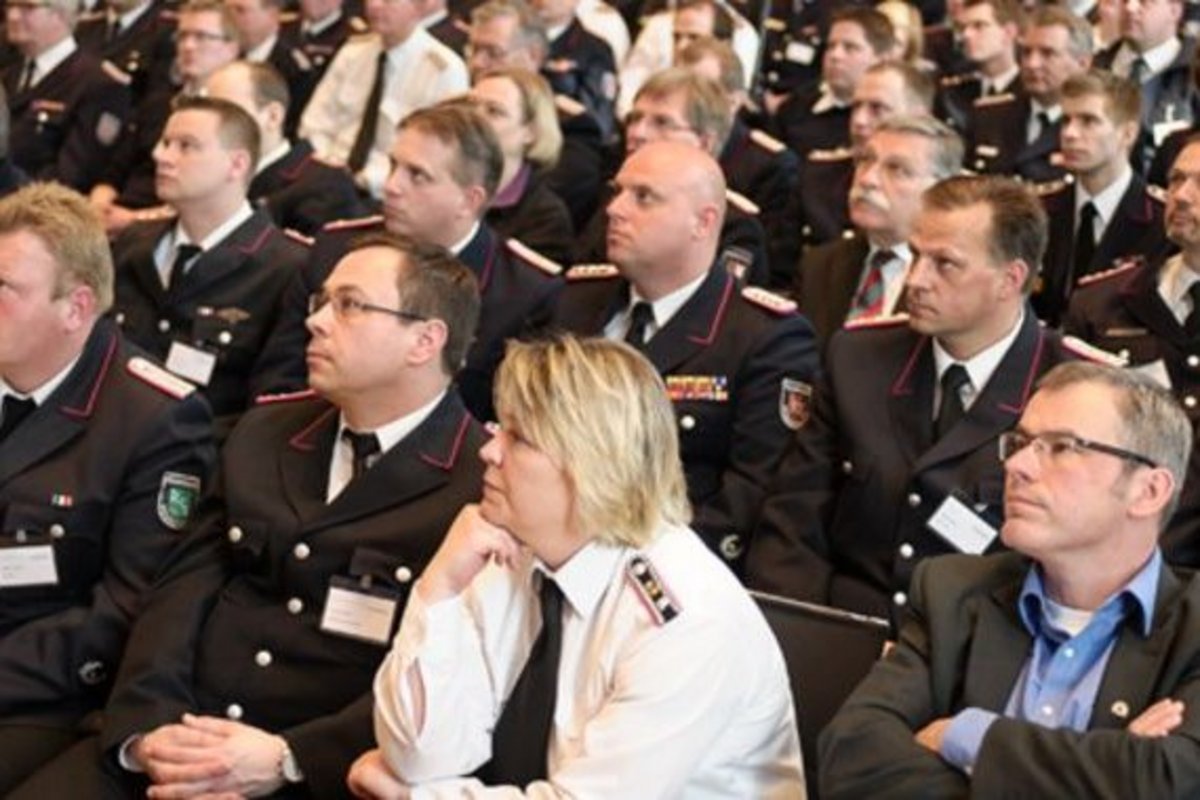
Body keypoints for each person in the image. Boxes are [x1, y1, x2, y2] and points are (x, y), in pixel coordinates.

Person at [11, 233, 488, 799]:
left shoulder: (476, 484)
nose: (315, 322)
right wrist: (149, 730)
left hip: (311, 776)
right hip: (178, 743)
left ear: (425, 341)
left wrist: (293, 758)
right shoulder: (267, 434)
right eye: (320, 302)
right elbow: (179, 594)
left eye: (350, 305)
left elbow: (453, 688)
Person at [347, 335, 806, 798]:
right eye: (498, 428)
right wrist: (439, 587)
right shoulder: (512, 552)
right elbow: (422, 754)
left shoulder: (688, 617)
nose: (488, 451)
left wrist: (414, 799)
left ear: (594, 462)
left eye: (519, 438)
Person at [819, 362, 1200, 799]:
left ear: (1148, 491)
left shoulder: (1193, 629)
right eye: (1021, 443)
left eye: (1061, 447)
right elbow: (851, 754)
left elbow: (1174, 779)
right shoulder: (953, 593)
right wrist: (1109, 772)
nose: (1016, 465)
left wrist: (969, 735)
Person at [746, 175, 1112, 623]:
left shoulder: (1082, 392)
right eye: (916, 255)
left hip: (988, 645)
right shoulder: (858, 358)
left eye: (945, 264)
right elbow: (794, 522)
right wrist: (804, 632)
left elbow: (1085, 569)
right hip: (851, 626)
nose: (915, 280)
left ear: (1010, 279)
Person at [0, 182, 215, 793]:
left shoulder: (155, 419)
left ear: (75, 308)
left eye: (4, 289)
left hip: (43, 699)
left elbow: (124, 612)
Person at [554, 141, 818, 571]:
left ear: (703, 221)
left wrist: (618, 564)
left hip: (667, 569)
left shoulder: (761, 338)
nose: (615, 209)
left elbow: (747, 497)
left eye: (643, 197)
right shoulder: (575, 302)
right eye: (617, 191)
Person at [254, 101, 562, 422]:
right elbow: (280, 377)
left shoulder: (524, 291)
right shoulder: (336, 248)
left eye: (417, 175)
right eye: (392, 166)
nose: (391, 186)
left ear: (470, 200)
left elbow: (504, 420)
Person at [110, 96, 308, 427]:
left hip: (199, 455)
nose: (161, 156)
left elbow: (267, 412)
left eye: (186, 146)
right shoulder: (134, 243)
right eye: (165, 142)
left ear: (237, 164)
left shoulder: (286, 267)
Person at [1064, 133, 1200, 567]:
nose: (1180, 196)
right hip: (1110, 546)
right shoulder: (1103, 301)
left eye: (1199, 184)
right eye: (1175, 180)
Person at [574, 68, 772, 287]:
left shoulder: (734, 226)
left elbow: (719, 310)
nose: (637, 133)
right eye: (634, 118)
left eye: (661, 122)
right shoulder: (616, 198)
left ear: (704, 143)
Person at [796, 115, 962, 342]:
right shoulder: (819, 265)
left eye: (897, 169)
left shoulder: (956, 280)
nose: (867, 179)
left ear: (941, 189)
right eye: (865, 160)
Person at [89, 0, 241, 230]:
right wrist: (98, 206)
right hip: (118, 217)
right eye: (182, 36)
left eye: (201, 37)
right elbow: (114, 172)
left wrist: (132, 220)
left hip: (171, 227)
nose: (188, 46)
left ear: (232, 48)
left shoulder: (234, 115)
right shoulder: (158, 103)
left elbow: (205, 199)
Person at [1037, 70, 1170, 324]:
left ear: (1128, 134)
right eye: (1065, 120)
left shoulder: (1161, 220)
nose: (1070, 134)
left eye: (1088, 121)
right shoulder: (1040, 210)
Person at [299, 0, 468, 199]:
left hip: (387, 193)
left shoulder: (442, 69)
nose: (374, 5)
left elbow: (437, 156)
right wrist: (325, 166)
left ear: (418, 6)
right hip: (324, 176)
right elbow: (313, 125)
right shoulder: (352, 52)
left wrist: (366, 179)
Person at [205, 60, 366, 236]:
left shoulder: (323, 184)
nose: (209, 125)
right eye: (207, 112)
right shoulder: (208, 173)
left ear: (273, 116)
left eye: (228, 112)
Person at [3, 0, 130, 191]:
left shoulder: (96, 84)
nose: (12, 16)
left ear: (59, 14)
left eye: (27, 7)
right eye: (9, 6)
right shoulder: (9, 73)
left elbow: (72, 176)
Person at [964, 5, 1093, 182]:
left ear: (1082, 64)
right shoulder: (988, 116)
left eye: (1047, 54)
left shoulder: (1094, 126)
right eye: (1026, 53)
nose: (1032, 64)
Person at [469, 67, 574, 264]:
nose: (473, 118)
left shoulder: (544, 217)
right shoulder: (441, 182)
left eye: (494, 111)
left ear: (531, 132)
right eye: (470, 105)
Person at [771, 7, 894, 158]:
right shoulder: (797, 104)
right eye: (831, 46)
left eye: (850, 47)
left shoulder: (890, 118)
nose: (835, 55)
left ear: (882, 59)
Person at [1093, 0, 1195, 172]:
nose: (1130, 8)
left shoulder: (1193, 74)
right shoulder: (1095, 68)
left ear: (1174, 11)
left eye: (1144, 2)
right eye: (1125, 1)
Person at [936, 0, 1022, 132]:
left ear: (1008, 32)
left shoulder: (1027, 91)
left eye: (979, 26)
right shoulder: (954, 93)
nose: (966, 35)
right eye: (963, 28)